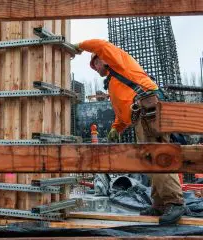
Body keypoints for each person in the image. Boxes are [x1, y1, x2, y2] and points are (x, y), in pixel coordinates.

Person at [74, 39, 185, 225]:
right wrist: (116, 128)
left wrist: (80, 46)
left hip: (148, 109)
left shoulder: (118, 61)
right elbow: (123, 111)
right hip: (141, 114)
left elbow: (100, 45)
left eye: (95, 63)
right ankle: (160, 203)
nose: (94, 67)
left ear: (104, 59)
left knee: (160, 154)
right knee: (151, 160)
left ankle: (174, 201)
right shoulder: (113, 82)